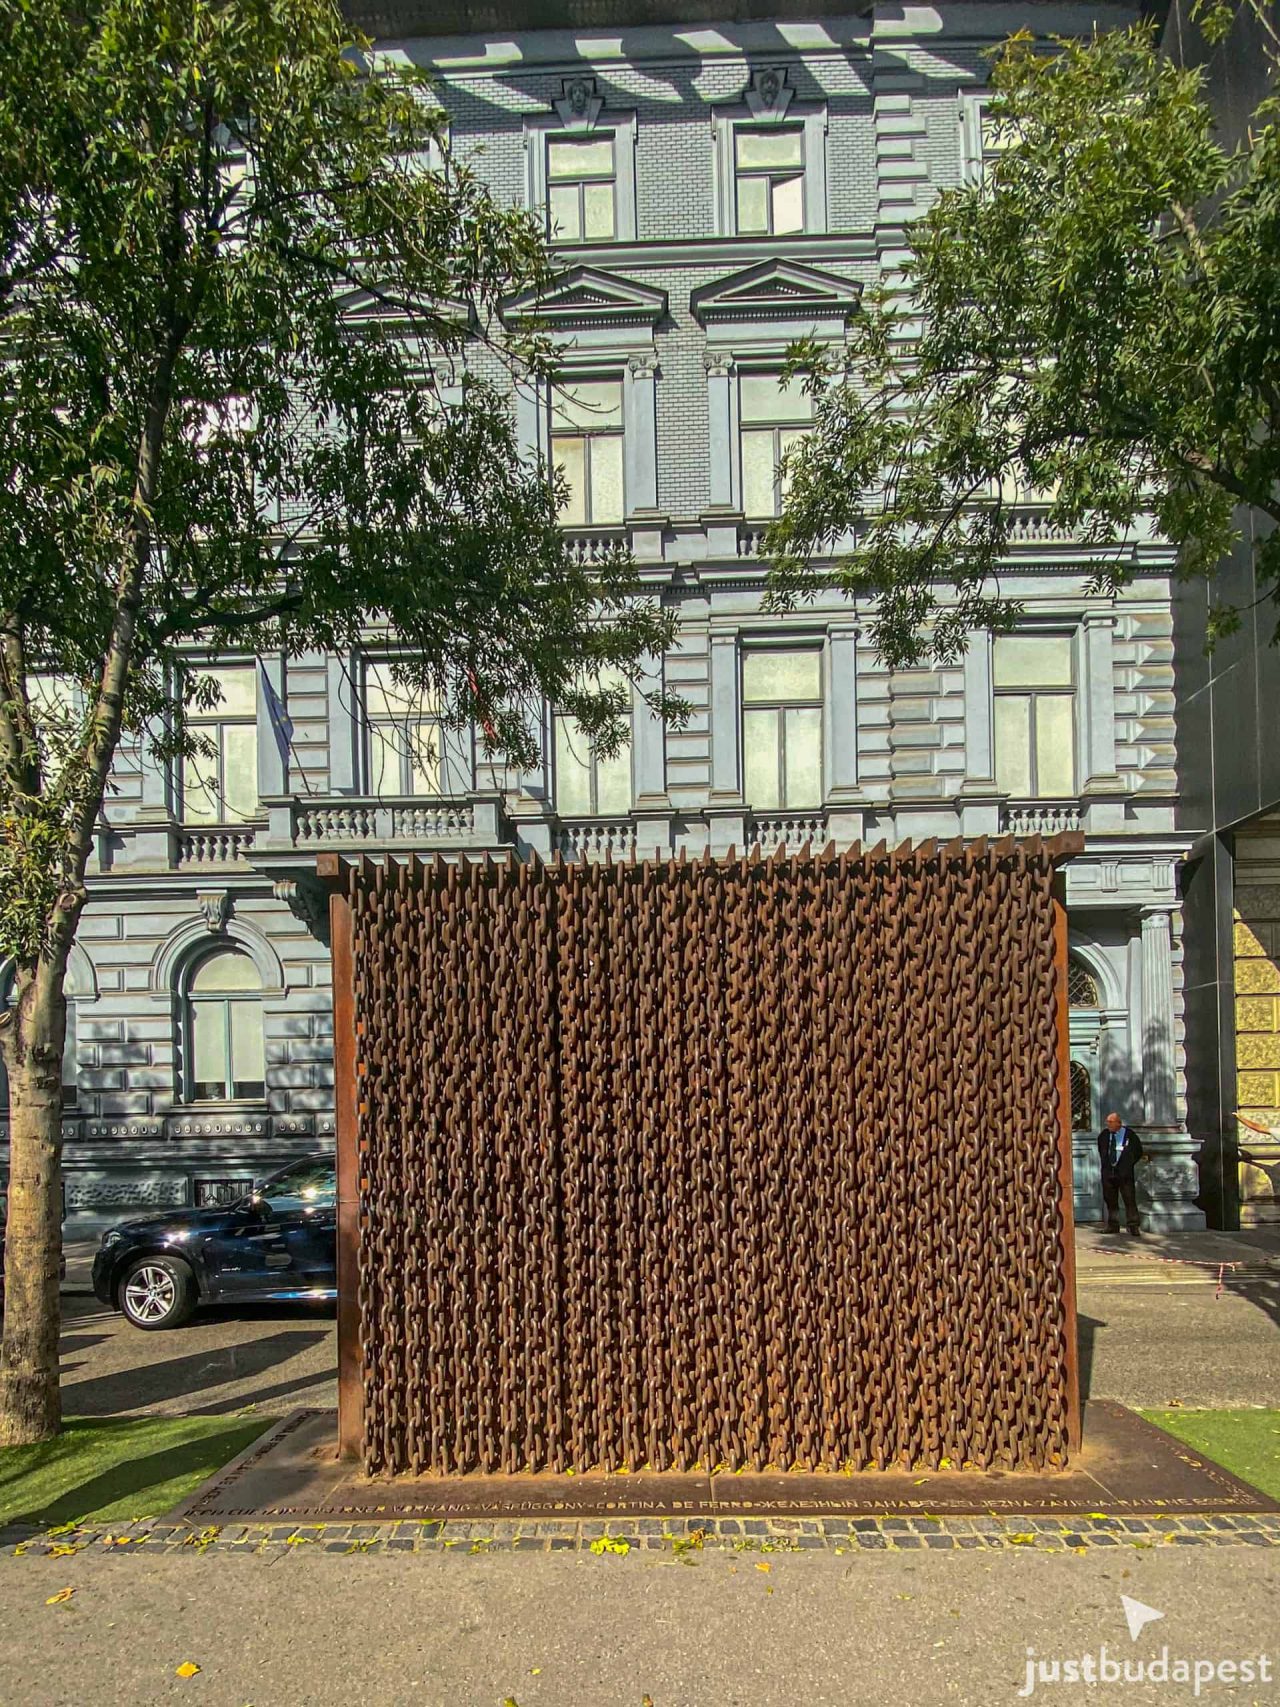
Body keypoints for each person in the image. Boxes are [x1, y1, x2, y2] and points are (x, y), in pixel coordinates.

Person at [1097, 1111, 1144, 1236]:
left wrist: (1128, 1164)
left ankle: (1133, 1225)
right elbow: (1101, 1150)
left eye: (1111, 1122)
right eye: (1107, 1122)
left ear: (1119, 1123)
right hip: (1108, 1173)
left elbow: (1138, 1151)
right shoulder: (1104, 1135)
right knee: (1111, 1200)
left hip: (1124, 1174)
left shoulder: (1130, 1135)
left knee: (1129, 1199)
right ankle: (1113, 1225)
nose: (1108, 1124)